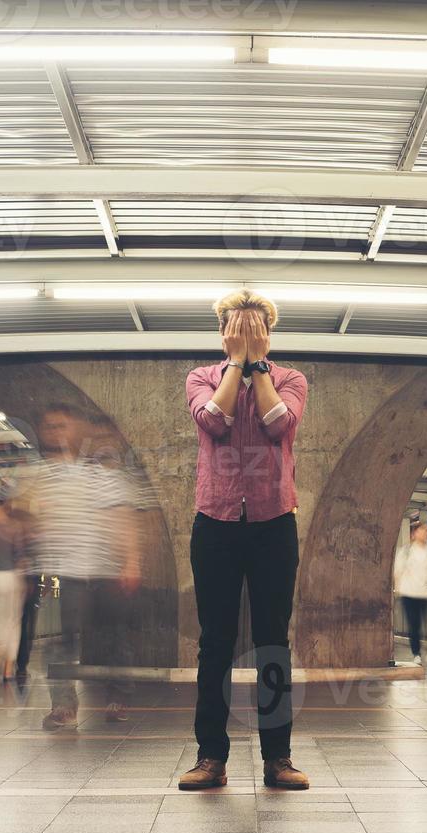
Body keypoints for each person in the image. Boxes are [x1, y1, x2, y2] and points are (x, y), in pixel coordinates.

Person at [179, 289, 309, 791]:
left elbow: (281, 425)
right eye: (238, 326)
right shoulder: (201, 378)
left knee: (273, 639)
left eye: (255, 327)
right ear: (224, 331)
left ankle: (278, 758)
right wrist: (235, 364)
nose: (246, 333)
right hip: (215, 520)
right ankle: (210, 756)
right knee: (215, 641)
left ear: (268, 333)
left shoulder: (291, 379)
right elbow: (213, 419)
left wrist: (258, 367)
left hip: (274, 521)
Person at [12, 404, 142, 730]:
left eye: (61, 425)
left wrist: (131, 560)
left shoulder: (101, 473)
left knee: (116, 639)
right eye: (49, 426)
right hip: (64, 572)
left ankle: (118, 696)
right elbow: (22, 517)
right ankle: (63, 707)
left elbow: (123, 517)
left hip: (105, 570)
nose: (55, 432)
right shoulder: (38, 474)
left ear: (75, 430)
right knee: (61, 642)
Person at [0, 505, 28, 680]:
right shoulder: (16, 526)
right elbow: (20, 556)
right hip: (11, 577)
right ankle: (7, 668)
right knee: (12, 624)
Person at [394, 520, 427, 664]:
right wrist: (397, 588)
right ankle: (416, 653)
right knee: (414, 624)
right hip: (408, 593)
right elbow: (398, 571)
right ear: (414, 533)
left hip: (425, 593)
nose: (426, 533)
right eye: (423, 530)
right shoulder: (405, 551)